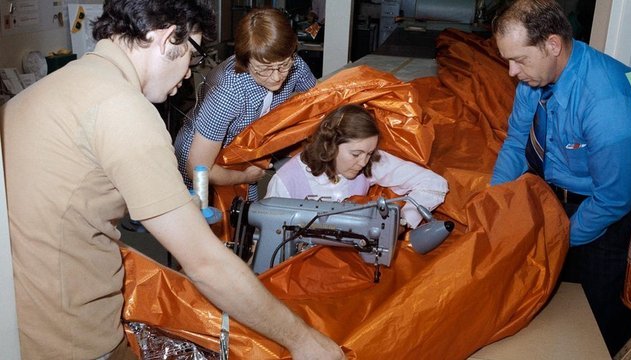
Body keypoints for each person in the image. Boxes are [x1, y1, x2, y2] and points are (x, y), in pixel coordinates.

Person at [0, 1, 344, 359]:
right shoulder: (124, 111)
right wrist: (304, 341)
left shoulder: (58, 84)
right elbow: (205, 264)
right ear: (168, 40)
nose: (188, 75)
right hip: (68, 338)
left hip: (17, 321)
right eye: (193, 56)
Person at [489, 0, 631, 355]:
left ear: (552, 45)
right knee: (549, 299)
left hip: (608, 216)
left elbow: (613, 199)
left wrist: (558, 239)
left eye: (519, 59)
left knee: (596, 319)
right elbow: (518, 141)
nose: (511, 72)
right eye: (507, 60)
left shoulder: (607, 106)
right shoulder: (535, 79)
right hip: (558, 194)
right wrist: (494, 203)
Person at [174, 8, 316, 201]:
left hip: (244, 152)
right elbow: (199, 170)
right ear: (245, 61)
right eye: (264, 69)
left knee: (243, 214)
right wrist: (244, 176)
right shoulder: (229, 91)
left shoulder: (293, 64)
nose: (276, 77)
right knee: (203, 216)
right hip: (201, 155)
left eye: (283, 65)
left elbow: (318, 100)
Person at [266, 104, 448, 228]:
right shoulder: (286, 181)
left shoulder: (368, 162)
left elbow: (433, 184)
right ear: (330, 145)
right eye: (356, 154)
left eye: (369, 153)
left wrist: (402, 220)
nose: (362, 162)